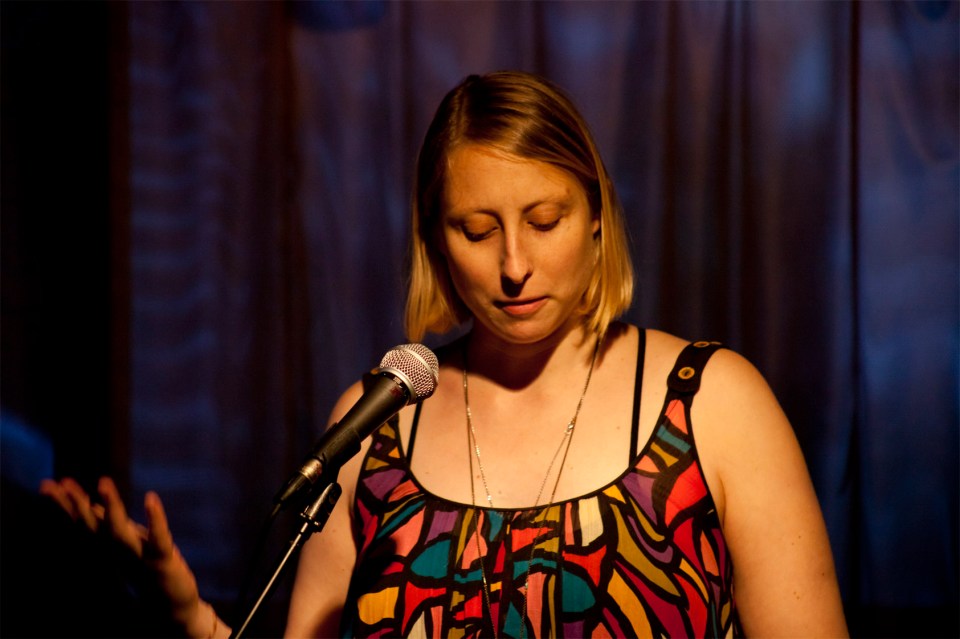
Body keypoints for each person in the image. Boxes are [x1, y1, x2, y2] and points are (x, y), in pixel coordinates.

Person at [41, 70, 848, 638]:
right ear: (435, 239)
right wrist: (188, 615)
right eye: (477, 229)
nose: (514, 264)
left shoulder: (712, 403)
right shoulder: (378, 424)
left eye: (545, 220)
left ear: (597, 215)